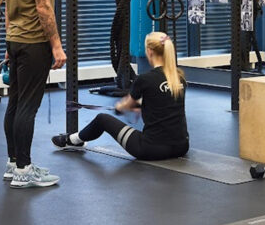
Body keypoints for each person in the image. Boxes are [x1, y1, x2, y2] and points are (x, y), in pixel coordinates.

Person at [2, 0, 66, 189]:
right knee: (27, 107)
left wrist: (8, 41)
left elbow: (7, 5)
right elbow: (44, 7)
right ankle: (24, 171)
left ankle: (14, 163)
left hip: (16, 40)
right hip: (33, 43)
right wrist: (56, 46)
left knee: (15, 104)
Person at [53, 32, 189, 161]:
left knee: (102, 119)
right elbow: (163, 102)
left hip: (151, 149)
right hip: (181, 147)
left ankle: (73, 140)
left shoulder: (145, 79)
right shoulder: (179, 78)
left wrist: (119, 107)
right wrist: (141, 105)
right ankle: (74, 140)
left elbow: (124, 106)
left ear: (149, 51)